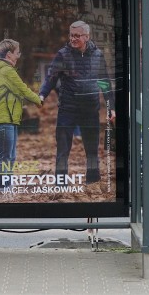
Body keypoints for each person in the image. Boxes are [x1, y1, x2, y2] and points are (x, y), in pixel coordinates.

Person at [39, 21, 115, 183]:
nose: (73, 39)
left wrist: (111, 107)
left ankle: (93, 181)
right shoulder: (63, 54)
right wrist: (42, 95)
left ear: (87, 37)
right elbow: (51, 77)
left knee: (92, 148)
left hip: (90, 108)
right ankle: (60, 182)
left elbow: (105, 81)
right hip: (68, 107)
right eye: (71, 35)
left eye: (77, 36)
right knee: (63, 148)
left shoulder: (98, 55)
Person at [0, 39, 42, 200]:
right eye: (18, 52)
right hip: (4, 119)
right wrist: (39, 100)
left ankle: (7, 184)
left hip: (8, 119)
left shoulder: (0, 69)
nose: (19, 55)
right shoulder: (7, 71)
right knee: (5, 156)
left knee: (10, 156)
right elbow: (22, 89)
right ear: (9, 54)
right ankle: (2, 189)